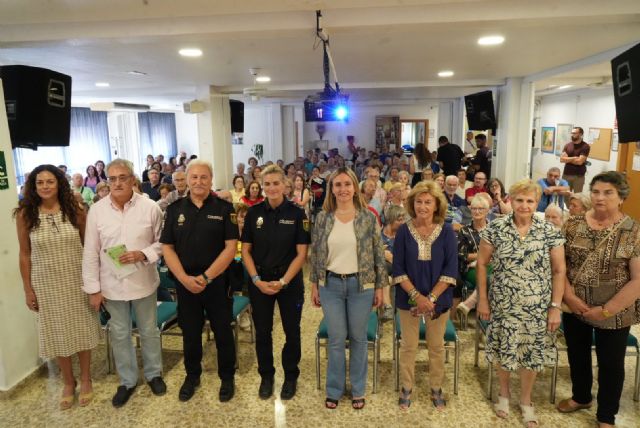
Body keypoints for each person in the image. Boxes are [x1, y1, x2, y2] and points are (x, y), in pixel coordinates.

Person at [477, 179, 565, 428]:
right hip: (504, 304)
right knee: (504, 349)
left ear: (537, 203)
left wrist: (555, 307)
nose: (524, 205)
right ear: (510, 201)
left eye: (530, 201)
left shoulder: (549, 231)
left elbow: (559, 270)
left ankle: (526, 400)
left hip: (537, 307)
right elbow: (482, 264)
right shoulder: (496, 228)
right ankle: (504, 393)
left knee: (531, 353)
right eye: (519, 200)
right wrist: (482, 299)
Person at [14, 164, 100, 410]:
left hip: (76, 279)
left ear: (59, 183)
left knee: (81, 328)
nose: (45, 186)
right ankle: (68, 381)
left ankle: (85, 378)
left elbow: (89, 247)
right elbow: (24, 254)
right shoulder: (25, 214)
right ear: (33, 186)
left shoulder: (75, 209)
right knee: (57, 332)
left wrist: (94, 282)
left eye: (49, 181)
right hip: (45, 283)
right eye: (40, 182)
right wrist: (28, 289)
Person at [558, 171, 640, 428]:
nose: (600, 197)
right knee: (576, 355)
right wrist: (570, 297)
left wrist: (605, 310)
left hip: (616, 311)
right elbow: (560, 266)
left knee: (611, 364)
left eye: (608, 193)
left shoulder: (633, 230)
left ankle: (606, 416)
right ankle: (581, 397)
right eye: (595, 192)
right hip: (575, 306)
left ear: (621, 197)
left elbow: (638, 280)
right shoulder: (572, 224)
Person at [82, 159, 166, 408]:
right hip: (111, 285)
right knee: (119, 334)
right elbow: (90, 252)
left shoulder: (150, 207)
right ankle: (127, 381)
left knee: (149, 330)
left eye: (123, 177)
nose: (117, 182)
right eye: (112, 178)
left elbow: (163, 243)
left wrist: (143, 254)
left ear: (132, 180)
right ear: (107, 181)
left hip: (143, 280)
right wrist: (93, 289)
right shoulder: (97, 210)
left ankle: (154, 374)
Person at [309, 167, 387, 410]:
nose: (342, 189)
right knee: (335, 338)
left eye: (347, 184)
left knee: (358, 338)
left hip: (360, 285)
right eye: (337, 185)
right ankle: (334, 389)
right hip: (330, 285)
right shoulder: (322, 218)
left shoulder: (367, 217)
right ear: (331, 189)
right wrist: (314, 285)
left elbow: (378, 255)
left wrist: (380, 288)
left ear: (355, 187)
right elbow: (316, 253)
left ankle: (358, 389)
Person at [161, 160, 238, 403]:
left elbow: (230, 248)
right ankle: (192, 376)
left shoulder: (226, 209)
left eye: (204, 177)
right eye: (194, 177)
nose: (198, 182)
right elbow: (167, 247)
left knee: (223, 332)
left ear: (211, 180)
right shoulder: (174, 210)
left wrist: (206, 277)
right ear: (187, 179)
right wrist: (184, 278)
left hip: (216, 283)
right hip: (186, 285)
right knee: (191, 333)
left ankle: (227, 376)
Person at [241, 165, 310, 400]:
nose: (271, 188)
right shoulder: (253, 213)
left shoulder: (297, 214)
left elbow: (302, 254)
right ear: (262, 186)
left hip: (288, 282)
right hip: (260, 281)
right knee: (263, 332)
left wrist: (282, 281)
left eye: (275, 183)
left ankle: (290, 376)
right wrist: (256, 280)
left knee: (292, 331)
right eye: (266, 184)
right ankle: (266, 376)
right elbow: (246, 251)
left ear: (285, 185)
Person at [392, 180, 458, 411]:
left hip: (438, 301)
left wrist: (429, 299)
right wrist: (417, 297)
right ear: (412, 204)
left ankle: (436, 388)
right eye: (418, 201)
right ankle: (406, 388)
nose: (422, 206)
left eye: (427, 202)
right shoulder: (403, 231)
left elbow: (451, 270)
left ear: (437, 204)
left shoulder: (447, 231)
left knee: (436, 347)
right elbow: (398, 269)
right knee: (408, 346)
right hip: (407, 298)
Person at [455, 194, 491, 317]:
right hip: (471, 268)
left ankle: (470, 302)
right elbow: (462, 255)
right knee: (492, 278)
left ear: (487, 211)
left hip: (492, 266)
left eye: (481, 209)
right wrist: (482, 256)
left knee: (495, 276)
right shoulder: (464, 231)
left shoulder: (494, 230)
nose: (477, 211)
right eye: (474, 208)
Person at [380, 205, 407, 320]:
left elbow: (407, 259)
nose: (402, 223)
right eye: (399, 220)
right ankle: (387, 307)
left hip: (399, 270)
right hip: (382, 271)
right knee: (385, 273)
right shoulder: (377, 235)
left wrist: (391, 258)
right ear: (390, 220)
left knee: (384, 268)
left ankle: (387, 307)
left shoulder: (404, 236)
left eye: (403, 219)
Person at [560, 127, 590, 193]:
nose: (572, 135)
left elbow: (579, 162)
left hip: (578, 176)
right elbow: (562, 159)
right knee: (565, 196)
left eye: (574, 133)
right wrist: (574, 158)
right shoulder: (567, 145)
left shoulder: (585, 146)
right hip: (566, 174)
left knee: (577, 196)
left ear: (581, 134)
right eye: (572, 133)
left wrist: (567, 159)